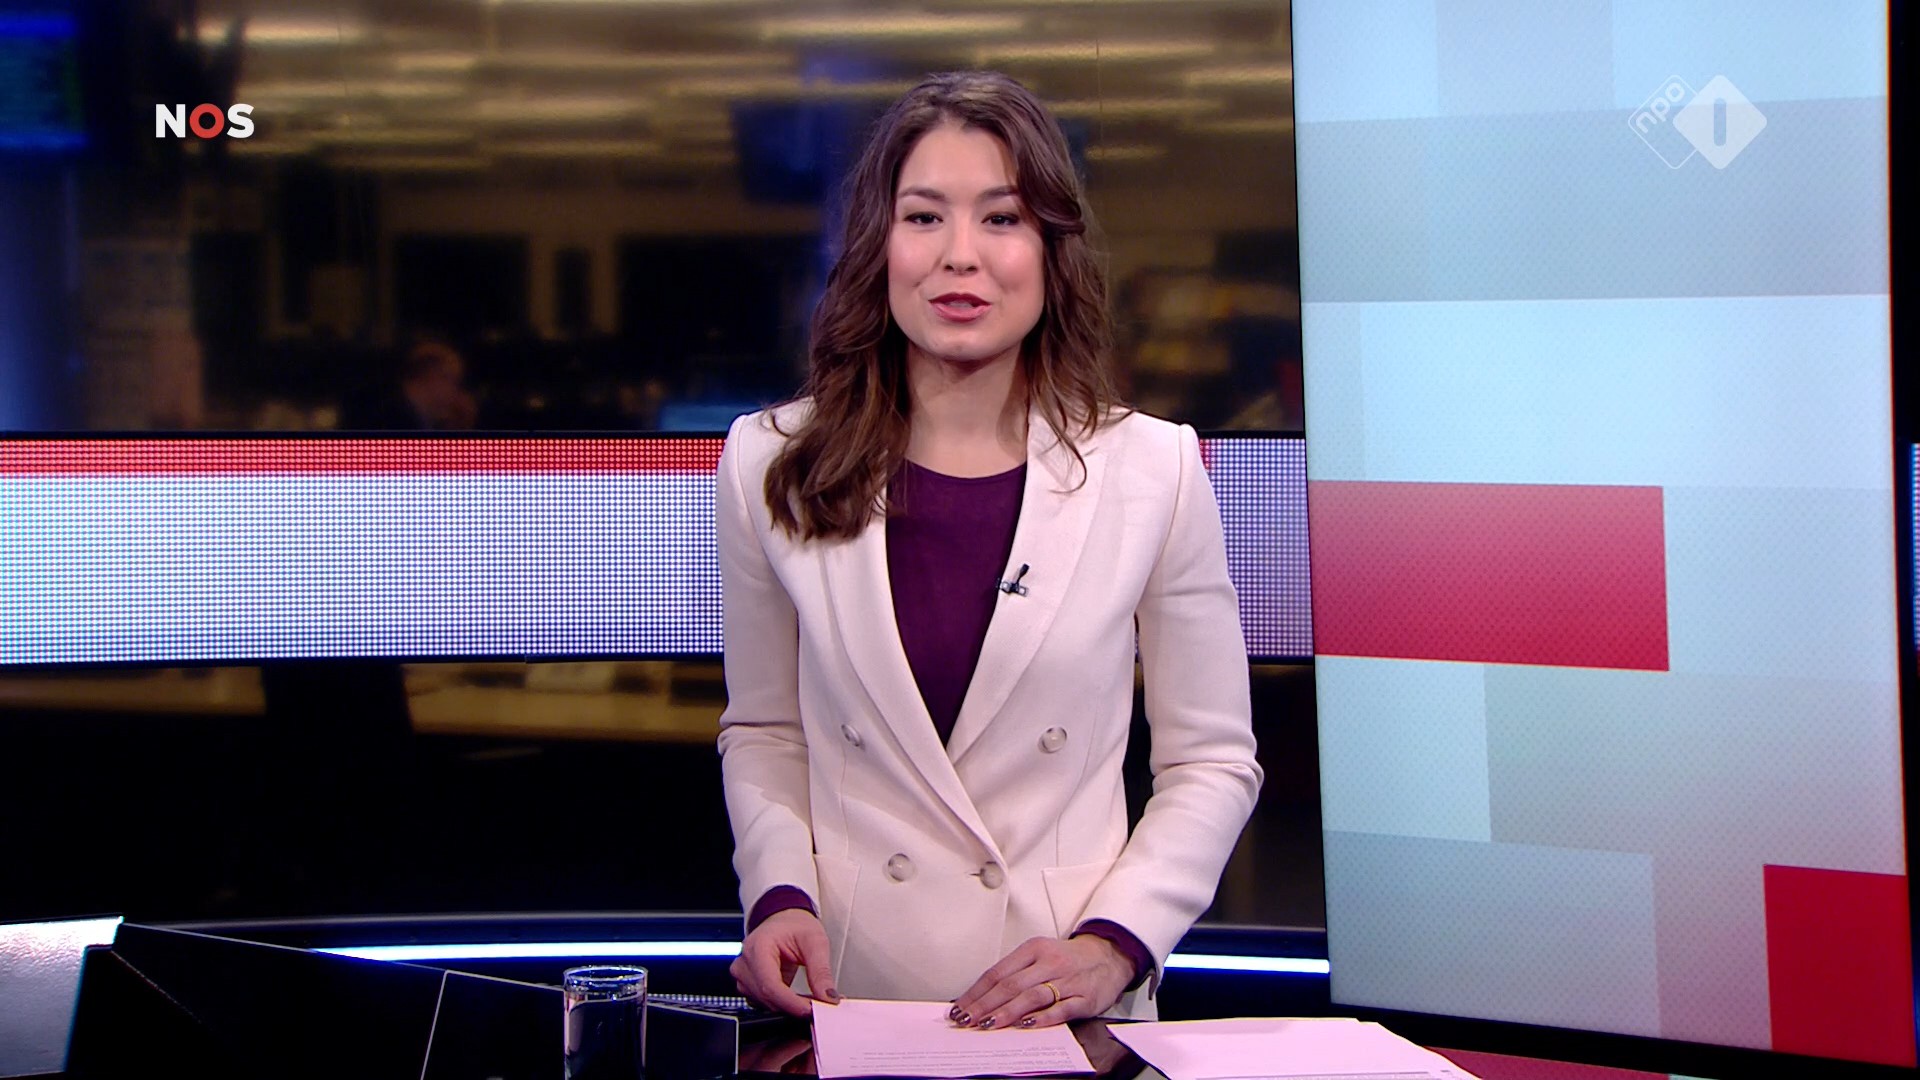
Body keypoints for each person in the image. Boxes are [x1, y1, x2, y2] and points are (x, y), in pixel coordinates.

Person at [714, 71, 1262, 1030]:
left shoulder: (1155, 468)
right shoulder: (769, 460)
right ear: (878, 246)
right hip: (852, 989)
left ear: (1051, 250)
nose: (959, 255)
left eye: (1002, 218)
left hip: (1064, 999)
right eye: (924, 217)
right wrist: (778, 894)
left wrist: (1114, 946)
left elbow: (1212, 760)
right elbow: (765, 729)